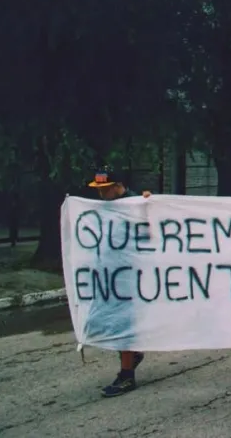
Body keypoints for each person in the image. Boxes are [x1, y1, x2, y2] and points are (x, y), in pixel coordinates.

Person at [88, 167, 148, 398]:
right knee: (114, 320)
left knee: (124, 322)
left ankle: (126, 376)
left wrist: (148, 206)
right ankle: (131, 357)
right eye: (99, 190)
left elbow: (149, 231)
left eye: (105, 189)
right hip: (112, 275)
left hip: (129, 276)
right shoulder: (107, 206)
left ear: (117, 186)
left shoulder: (135, 204)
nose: (101, 194)